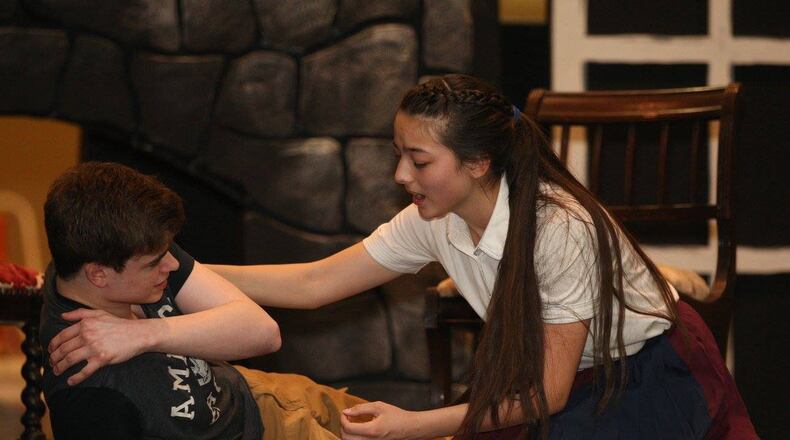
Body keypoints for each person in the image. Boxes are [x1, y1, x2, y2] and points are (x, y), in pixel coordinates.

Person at [208, 74, 758, 439]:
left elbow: (548, 392)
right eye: (398, 156)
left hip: (639, 377)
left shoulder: (558, 229)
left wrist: (417, 424)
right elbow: (313, 283)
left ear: (477, 163)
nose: (401, 177)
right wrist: (186, 269)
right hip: (559, 382)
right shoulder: (433, 219)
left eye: (419, 161)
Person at [40, 162, 364, 440]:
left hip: (253, 391)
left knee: (388, 424)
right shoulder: (92, 393)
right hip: (255, 433)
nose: (171, 265)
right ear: (99, 274)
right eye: (154, 262)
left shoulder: (123, 246)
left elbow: (262, 331)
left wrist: (142, 334)